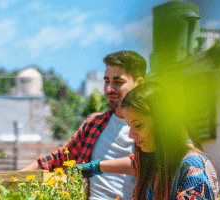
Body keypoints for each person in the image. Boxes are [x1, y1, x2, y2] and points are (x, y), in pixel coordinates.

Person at [22, 50, 146, 200]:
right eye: (106, 81)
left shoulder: (147, 128)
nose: (109, 89)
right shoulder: (94, 124)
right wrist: (12, 178)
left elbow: (143, 163)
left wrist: (94, 166)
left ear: (139, 83)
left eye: (118, 82)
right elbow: (60, 158)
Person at [119, 83, 220, 200]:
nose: (130, 135)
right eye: (129, 126)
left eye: (138, 125)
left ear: (163, 122)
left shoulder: (193, 167)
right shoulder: (156, 165)